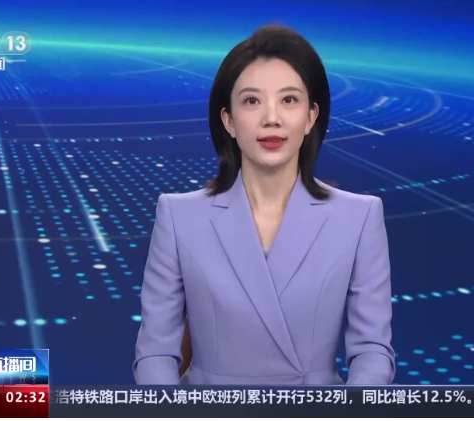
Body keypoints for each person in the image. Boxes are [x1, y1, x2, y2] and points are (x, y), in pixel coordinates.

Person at [133, 24, 395, 385]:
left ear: (311, 117)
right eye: (252, 101)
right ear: (228, 120)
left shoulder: (359, 217)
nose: (272, 117)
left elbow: (372, 352)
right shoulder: (178, 216)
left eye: (289, 100)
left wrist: (348, 409)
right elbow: (155, 353)